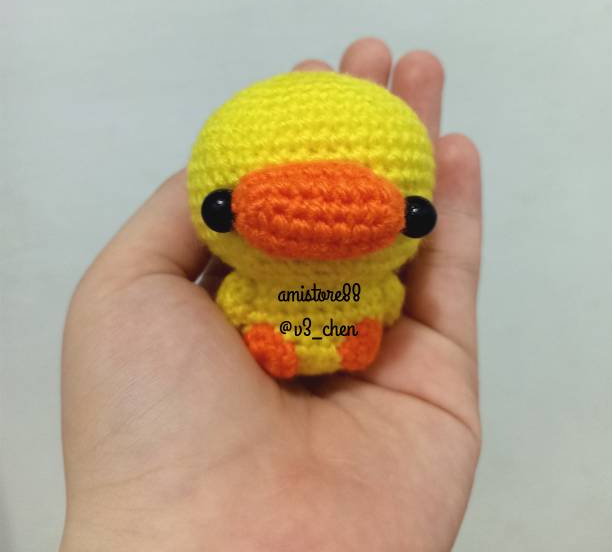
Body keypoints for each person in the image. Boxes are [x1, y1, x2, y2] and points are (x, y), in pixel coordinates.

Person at [60, 37, 482, 552]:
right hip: (276, 345)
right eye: (223, 208)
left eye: (413, 214)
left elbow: (384, 297)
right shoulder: (255, 286)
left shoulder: (366, 287)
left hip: (357, 330)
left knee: (360, 322)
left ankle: (349, 338)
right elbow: (239, 298)